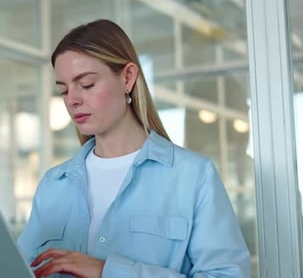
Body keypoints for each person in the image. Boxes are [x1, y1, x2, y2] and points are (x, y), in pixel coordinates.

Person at [17, 19, 251, 278]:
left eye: (86, 85)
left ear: (127, 78)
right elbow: (23, 270)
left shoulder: (194, 176)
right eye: (63, 90)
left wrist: (107, 271)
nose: (72, 100)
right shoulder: (53, 185)